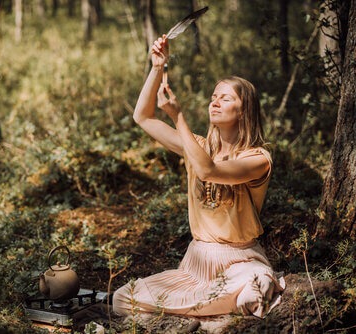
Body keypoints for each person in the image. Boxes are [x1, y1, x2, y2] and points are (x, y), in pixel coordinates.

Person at [112, 35, 285, 318]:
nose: (214, 103)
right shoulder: (199, 147)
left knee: (257, 285)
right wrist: (157, 67)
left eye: (225, 98)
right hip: (197, 263)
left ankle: (199, 308)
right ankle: (206, 308)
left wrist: (179, 117)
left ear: (244, 110)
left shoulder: (257, 159)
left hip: (239, 261)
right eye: (213, 97)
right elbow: (142, 117)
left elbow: (209, 170)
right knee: (122, 298)